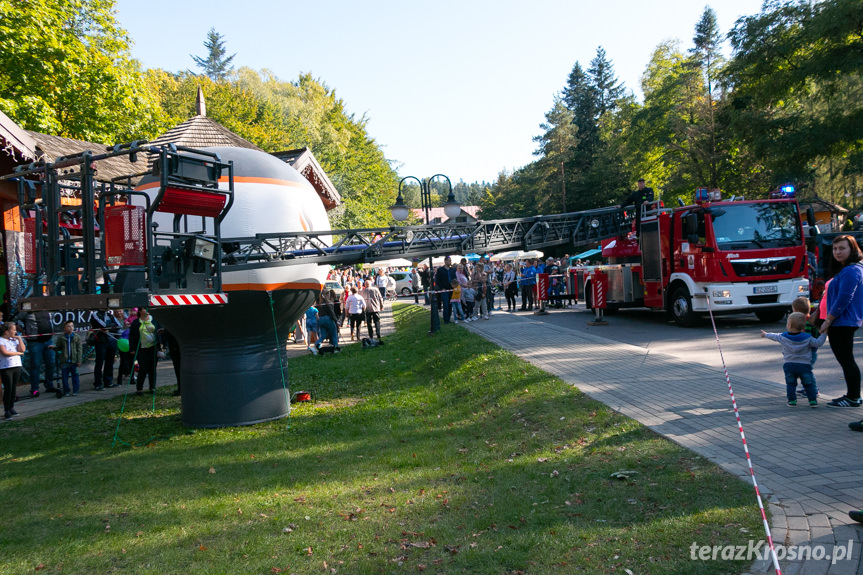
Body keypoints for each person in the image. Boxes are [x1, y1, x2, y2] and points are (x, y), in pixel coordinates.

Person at [818, 235, 863, 412]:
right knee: (846, 360)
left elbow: (844, 298)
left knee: (847, 360)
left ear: (852, 249)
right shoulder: (847, 269)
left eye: (842, 248)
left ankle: (853, 397)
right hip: (841, 321)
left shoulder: (852, 270)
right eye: (835, 249)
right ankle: (852, 396)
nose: (837, 252)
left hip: (843, 321)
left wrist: (828, 320)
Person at [762, 312, 827, 407]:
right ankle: (812, 401)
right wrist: (824, 334)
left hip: (790, 365)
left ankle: (792, 401)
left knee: (791, 384)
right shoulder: (808, 338)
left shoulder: (783, 337)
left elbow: (774, 336)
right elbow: (818, 343)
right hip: (805, 366)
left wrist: (766, 334)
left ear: (789, 325)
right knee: (809, 384)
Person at [22, 311, 57, 396]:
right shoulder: (27, 311)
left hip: (48, 340)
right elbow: (15, 320)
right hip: (35, 342)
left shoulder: (47, 309)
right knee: (35, 365)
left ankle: (49, 385)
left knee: (51, 363)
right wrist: (24, 331)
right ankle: (34, 389)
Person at [791, 297, 820, 397]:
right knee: (805, 371)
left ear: (796, 311)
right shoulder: (811, 320)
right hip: (810, 350)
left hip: (808, 351)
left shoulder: (805, 322)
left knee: (806, 371)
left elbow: (805, 338)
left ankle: (813, 390)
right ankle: (807, 388)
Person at [90, 310, 123, 389]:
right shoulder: (95, 314)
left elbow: (118, 325)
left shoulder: (110, 315)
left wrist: (109, 328)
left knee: (110, 362)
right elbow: (103, 325)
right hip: (101, 341)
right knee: (99, 362)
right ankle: (98, 383)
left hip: (111, 341)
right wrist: (109, 327)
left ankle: (108, 381)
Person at [129, 308, 158, 395]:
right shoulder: (136, 322)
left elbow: (159, 332)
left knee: (152, 368)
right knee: (143, 369)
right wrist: (132, 349)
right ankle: (139, 388)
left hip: (153, 347)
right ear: (140, 311)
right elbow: (132, 336)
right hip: (142, 348)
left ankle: (152, 387)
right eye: (145, 308)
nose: (147, 310)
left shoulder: (154, 320)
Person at [0, 322, 25, 419]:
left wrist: (19, 339)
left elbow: (22, 349)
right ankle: (6, 410)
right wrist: (18, 353)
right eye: (13, 330)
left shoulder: (14, 340)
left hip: (16, 366)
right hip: (6, 367)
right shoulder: (1, 340)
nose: (15, 331)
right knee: (8, 388)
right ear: (7, 331)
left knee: (14, 388)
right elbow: (5, 352)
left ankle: (11, 407)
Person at [53, 320, 83, 397]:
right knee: (64, 377)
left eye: (72, 326)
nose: (71, 328)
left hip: (74, 361)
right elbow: (59, 347)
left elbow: (79, 350)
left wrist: (79, 360)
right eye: (68, 326)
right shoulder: (61, 338)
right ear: (65, 328)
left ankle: (75, 390)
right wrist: (54, 348)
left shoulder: (77, 337)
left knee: (75, 376)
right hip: (65, 361)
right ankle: (66, 390)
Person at [313, 289, 341, 354]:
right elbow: (331, 312)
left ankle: (315, 345)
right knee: (334, 334)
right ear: (327, 294)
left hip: (320, 319)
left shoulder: (318, 302)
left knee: (323, 335)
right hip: (328, 319)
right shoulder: (327, 302)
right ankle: (336, 347)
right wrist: (336, 321)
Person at [435, 256, 453, 324]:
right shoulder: (440, 270)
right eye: (448, 260)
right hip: (444, 290)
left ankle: (449, 317)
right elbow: (437, 280)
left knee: (450, 305)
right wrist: (442, 287)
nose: (450, 262)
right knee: (445, 304)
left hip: (451, 289)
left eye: (450, 260)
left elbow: (454, 278)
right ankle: (446, 319)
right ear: (445, 261)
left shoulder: (452, 270)